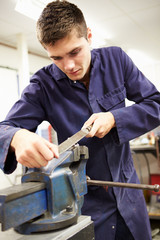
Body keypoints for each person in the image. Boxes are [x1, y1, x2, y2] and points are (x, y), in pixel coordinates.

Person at [0, 1, 160, 239]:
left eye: (75, 52)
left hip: (130, 197)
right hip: (84, 206)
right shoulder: (43, 86)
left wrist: (115, 118)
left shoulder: (116, 60)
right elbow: (5, 129)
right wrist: (17, 137)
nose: (69, 65)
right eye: (57, 58)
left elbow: (155, 104)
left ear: (89, 37)